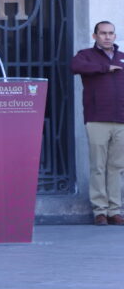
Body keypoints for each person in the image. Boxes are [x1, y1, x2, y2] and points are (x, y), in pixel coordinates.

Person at [70, 21, 124, 226]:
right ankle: (99, 211)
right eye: (103, 33)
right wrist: (105, 68)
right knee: (98, 167)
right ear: (95, 36)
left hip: (121, 120)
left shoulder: (122, 57)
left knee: (117, 167)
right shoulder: (85, 55)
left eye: (111, 33)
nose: (107, 37)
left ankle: (115, 211)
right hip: (97, 119)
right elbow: (75, 66)